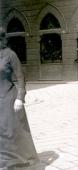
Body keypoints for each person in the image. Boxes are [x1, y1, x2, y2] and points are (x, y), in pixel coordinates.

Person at [0, 28, 39, 168]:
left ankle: (17, 161)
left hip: (9, 99)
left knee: (11, 131)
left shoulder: (10, 55)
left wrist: (20, 97)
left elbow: (21, 76)